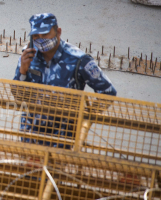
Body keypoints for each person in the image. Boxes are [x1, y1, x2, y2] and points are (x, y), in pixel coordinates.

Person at [13, 13, 116, 148]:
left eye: (45, 35)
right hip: (30, 133)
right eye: (36, 36)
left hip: (61, 136)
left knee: (54, 169)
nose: (41, 40)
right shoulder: (28, 56)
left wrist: (86, 120)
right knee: (26, 168)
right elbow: (19, 98)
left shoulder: (78, 60)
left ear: (58, 32)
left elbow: (107, 92)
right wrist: (23, 71)